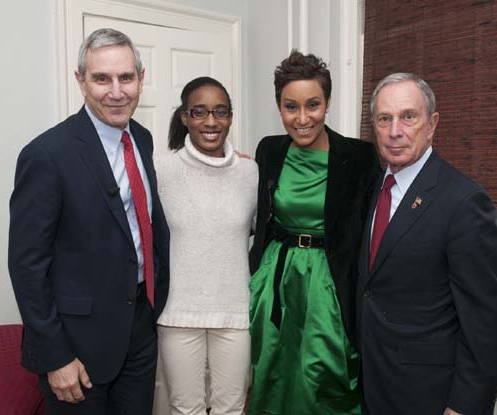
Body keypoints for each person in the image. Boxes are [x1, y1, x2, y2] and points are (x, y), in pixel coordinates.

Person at [8, 28, 170, 415]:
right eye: (102, 78)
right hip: (75, 348)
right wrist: (54, 356)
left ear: (141, 80)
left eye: (126, 78)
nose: (116, 91)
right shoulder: (47, 155)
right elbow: (27, 266)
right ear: (80, 81)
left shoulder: (142, 140)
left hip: (139, 331)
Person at [248, 50, 380, 415]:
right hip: (277, 280)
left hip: (330, 284)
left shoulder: (359, 156)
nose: (302, 118)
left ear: (328, 103)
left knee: (326, 380)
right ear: (279, 107)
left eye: (313, 105)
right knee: (272, 378)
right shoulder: (269, 150)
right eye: (291, 107)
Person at [357, 72, 497, 415]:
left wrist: (464, 406)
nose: (394, 131)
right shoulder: (375, 186)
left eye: (408, 117)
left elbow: (484, 320)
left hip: (430, 396)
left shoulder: (464, 202)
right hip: (375, 382)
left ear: (432, 124)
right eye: (384, 119)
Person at [154, 76, 258, 415]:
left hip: (235, 313)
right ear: (184, 117)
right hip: (178, 314)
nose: (211, 122)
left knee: (231, 409)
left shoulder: (250, 172)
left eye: (220, 112)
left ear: (230, 116)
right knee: (186, 409)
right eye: (199, 112)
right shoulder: (161, 170)